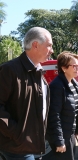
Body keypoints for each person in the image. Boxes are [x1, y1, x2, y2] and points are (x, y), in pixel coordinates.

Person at [0, 27, 53, 160]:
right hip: (16, 148)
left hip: (34, 145)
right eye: (49, 46)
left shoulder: (39, 73)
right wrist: (17, 134)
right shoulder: (9, 70)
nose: (52, 51)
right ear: (35, 45)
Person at [45, 51, 78, 160]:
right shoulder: (57, 86)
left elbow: (76, 111)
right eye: (74, 66)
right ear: (64, 68)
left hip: (70, 133)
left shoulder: (74, 84)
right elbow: (54, 115)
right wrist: (59, 141)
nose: (77, 68)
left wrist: (76, 131)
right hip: (62, 136)